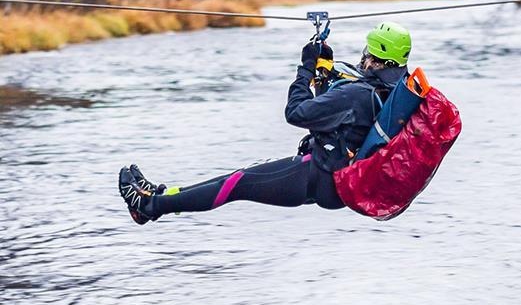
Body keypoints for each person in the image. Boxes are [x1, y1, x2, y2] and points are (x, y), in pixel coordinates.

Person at [118, 22, 413, 224]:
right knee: (237, 179)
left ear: (375, 56)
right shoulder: (392, 90)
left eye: (366, 52)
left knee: (236, 184)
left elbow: (297, 113)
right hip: (335, 176)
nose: (362, 59)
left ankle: (148, 207)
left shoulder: (357, 93)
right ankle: (159, 196)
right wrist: (324, 71)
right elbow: (332, 115)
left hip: (322, 175)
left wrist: (306, 67)